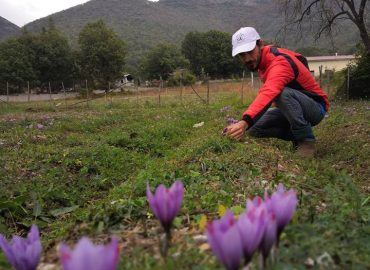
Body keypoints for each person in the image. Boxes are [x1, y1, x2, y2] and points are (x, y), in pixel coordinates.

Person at [225, 27, 329, 157]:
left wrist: (244, 122)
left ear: (260, 44)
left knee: (280, 93)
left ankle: (306, 141)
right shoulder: (263, 61)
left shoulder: (279, 62)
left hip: (316, 107)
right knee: (253, 129)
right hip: (296, 105)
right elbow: (300, 58)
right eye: (242, 55)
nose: (247, 59)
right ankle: (296, 137)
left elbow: (269, 91)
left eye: (250, 51)